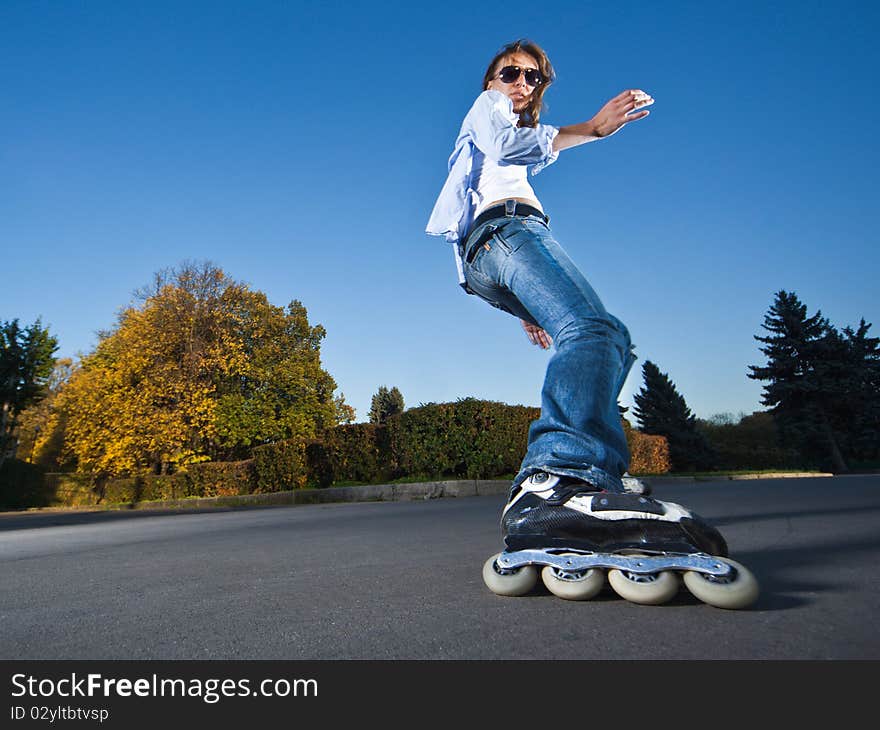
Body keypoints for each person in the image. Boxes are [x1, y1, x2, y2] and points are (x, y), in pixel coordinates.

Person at [426, 40, 758, 608]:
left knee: (613, 339)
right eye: (513, 72)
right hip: (509, 232)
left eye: (534, 79)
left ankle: (589, 476)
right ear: (491, 76)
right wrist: (594, 128)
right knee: (596, 332)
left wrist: (528, 312)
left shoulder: (504, 126)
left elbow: (489, 205)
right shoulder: (489, 107)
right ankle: (558, 477)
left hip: (484, 259)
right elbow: (511, 143)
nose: (522, 84)